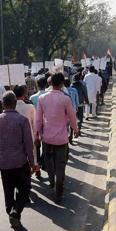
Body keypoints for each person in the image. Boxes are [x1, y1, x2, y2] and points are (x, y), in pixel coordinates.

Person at [0, 91, 38, 229]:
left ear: (3, 104)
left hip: (4, 163)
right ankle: (15, 212)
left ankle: (12, 213)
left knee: (8, 191)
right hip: (20, 162)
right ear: (14, 104)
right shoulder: (22, 120)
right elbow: (28, 145)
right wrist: (32, 163)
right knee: (25, 189)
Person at [35, 72, 79, 202]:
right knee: (60, 164)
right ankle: (59, 188)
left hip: (47, 137)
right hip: (61, 139)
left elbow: (38, 119)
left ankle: (51, 181)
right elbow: (72, 117)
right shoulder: (65, 99)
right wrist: (76, 130)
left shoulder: (42, 98)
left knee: (49, 162)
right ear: (62, 84)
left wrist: (38, 134)